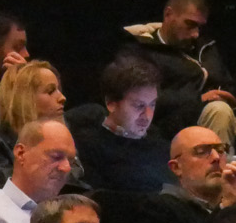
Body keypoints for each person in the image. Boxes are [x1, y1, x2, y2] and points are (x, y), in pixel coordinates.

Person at [119, 0, 236, 143]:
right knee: (219, 111)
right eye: (190, 24)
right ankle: (218, 166)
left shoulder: (206, 47)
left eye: (199, 27)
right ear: (168, 14)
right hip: (170, 124)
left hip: (216, 116)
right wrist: (199, 99)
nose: (195, 34)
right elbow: (139, 99)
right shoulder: (140, 49)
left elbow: (226, 82)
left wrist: (233, 96)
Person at [70, 53, 167, 193]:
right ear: (111, 103)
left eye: (152, 105)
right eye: (139, 106)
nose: (147, 115)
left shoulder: (159, 142)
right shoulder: (89, 146)